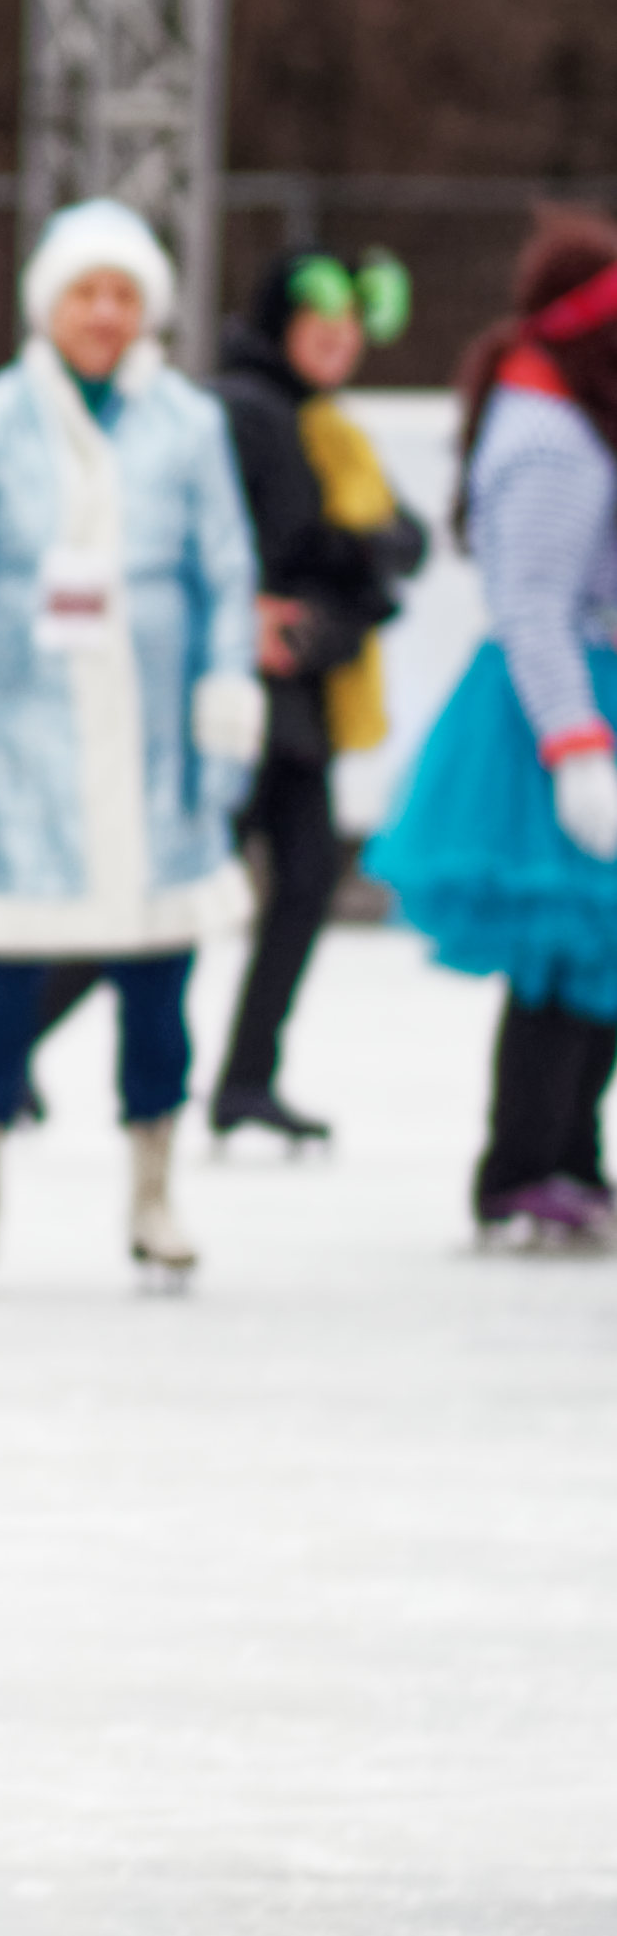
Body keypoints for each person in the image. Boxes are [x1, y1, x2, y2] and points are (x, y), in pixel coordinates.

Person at [0, 198, 261, 1286]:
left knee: (157, 973)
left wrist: (220, 698)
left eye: (121, 295)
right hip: (20, 728)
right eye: (83, 293)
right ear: (46, 303)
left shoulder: (185, 424)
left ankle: (152, 1185)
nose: (102, 314)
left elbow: (224, 571)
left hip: (150, 736)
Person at [361, 209, 617, 1247]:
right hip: (554, 715)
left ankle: (564, 1152)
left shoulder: (564, 415)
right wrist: (576, 747)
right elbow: (533, 608)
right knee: (562, 947)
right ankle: (522, 1162)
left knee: (590, 949)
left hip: (579, 699)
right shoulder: (548, 440)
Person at [199, 247, 427, 1145]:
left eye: (349, 336)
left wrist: (358, 569)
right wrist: (354, 568)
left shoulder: (319, 421)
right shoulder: (251, 412)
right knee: (202, 882)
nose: (338, 349)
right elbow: (302, 545)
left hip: (297, 698)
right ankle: (8, 1039)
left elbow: (393, 541)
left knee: (289, 882)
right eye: (320, 332)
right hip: (256, 697)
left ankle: (249, 1075)